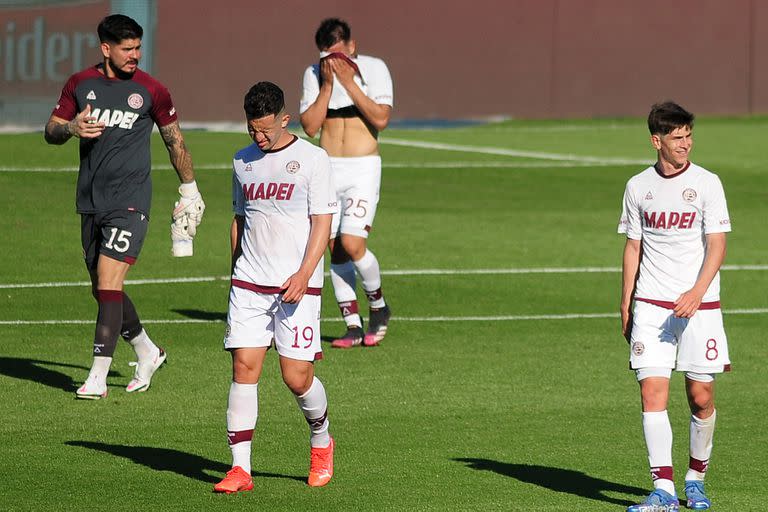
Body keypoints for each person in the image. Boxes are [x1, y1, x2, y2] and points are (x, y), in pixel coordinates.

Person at [44, 14, 205, 399]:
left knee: (109, 281)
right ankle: (148, 350)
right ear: (106, 49)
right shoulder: (80, 84)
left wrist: (190, 188)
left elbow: (174, 141)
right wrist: (71, 129)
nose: (135, 54)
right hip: (90, 201)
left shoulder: (152, 90)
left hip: (131, 201)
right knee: (102, 289)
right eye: (127, 48)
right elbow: (51, 129)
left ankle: (97, 376)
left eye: (138, 47)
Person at [213, 82, 337, 493]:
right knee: (244, 368)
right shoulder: (242, 161)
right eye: (252, 130)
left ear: (285, 119)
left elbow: (323, 221)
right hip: (249, 283)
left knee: (296, 377)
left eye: (266, 129)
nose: (259, 137)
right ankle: (240, 470)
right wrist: (235, 271)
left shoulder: (313, 159)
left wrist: (304, 274)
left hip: (295, 286)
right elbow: (240, 219)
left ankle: (321, 439)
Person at [618, 101, 731, 511]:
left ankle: (695, 478)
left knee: (701, 396)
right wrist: (626, 299)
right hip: (650, 303)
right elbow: (633, 246)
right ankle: (663, 489)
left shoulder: (707, 183)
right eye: (677, 137)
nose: (686, 143)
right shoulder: (637, 187)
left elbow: (717, 243)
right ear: (656, 141)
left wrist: (697, 291)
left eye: (688, 136)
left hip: (699, 305)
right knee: (652, 392)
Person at [299, 17, 393, 348]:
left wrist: (350, 82)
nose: (334, 64)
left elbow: (381, 117)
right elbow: (310, 127)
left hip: (362, 168)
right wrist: (327, 85)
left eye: (339, 54)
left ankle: (379, 307)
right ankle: (352, 325)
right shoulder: (314, 73)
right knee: (333, 248)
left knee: (353, 244)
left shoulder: (373, 68)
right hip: (328, 169)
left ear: (352, 46)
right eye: (328, 57)